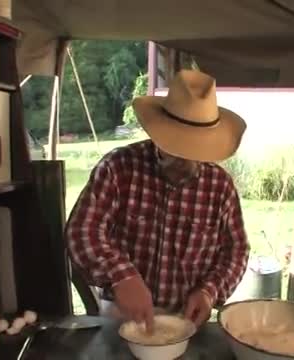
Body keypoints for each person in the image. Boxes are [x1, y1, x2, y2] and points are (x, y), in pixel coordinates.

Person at [66, 69, 250, 330]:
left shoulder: (220, 186)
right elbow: (82, 232)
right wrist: (121, 276)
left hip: (188, 318)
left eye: (195, 149)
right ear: (158, 133)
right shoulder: (118, 167)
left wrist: (210, 291)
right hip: (122, 315)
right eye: (175, 146)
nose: (183, 159)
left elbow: (236, 250)